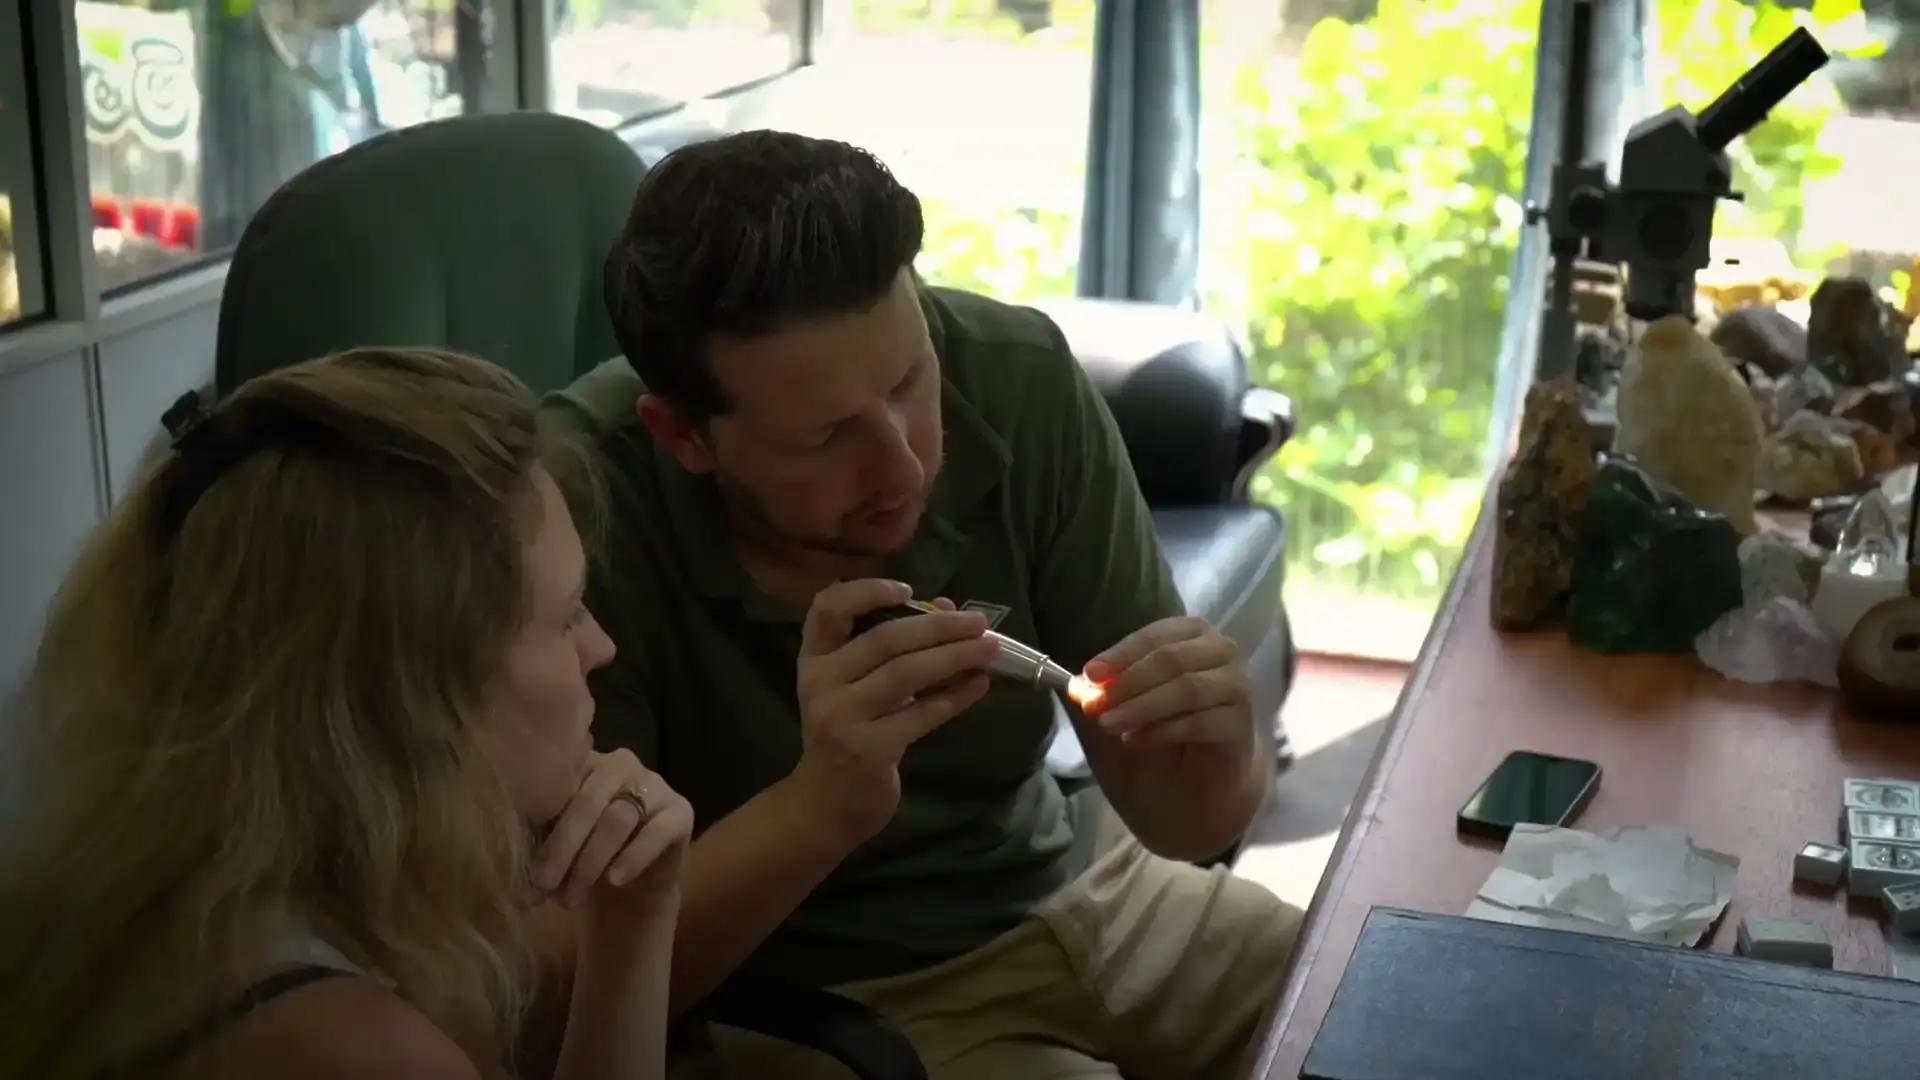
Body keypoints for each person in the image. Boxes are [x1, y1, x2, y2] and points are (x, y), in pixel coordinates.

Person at [542, 130, 1303, 1079]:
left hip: (1081, 888)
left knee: (1384, 1009)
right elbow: (553, 990)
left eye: (909, 381)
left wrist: (1222, 753)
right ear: (684, 436)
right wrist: (821, 807)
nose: (901, 467)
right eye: (825, 438)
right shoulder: (571, 515)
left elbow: (1184, 825)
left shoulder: (1018, 377)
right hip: (811, 994)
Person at [0, 348, 691, 1080]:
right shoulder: (351, 1052)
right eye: (565, 615)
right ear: (414, 693)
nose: (601, 646)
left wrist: (634, 925)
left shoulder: (203, 911)